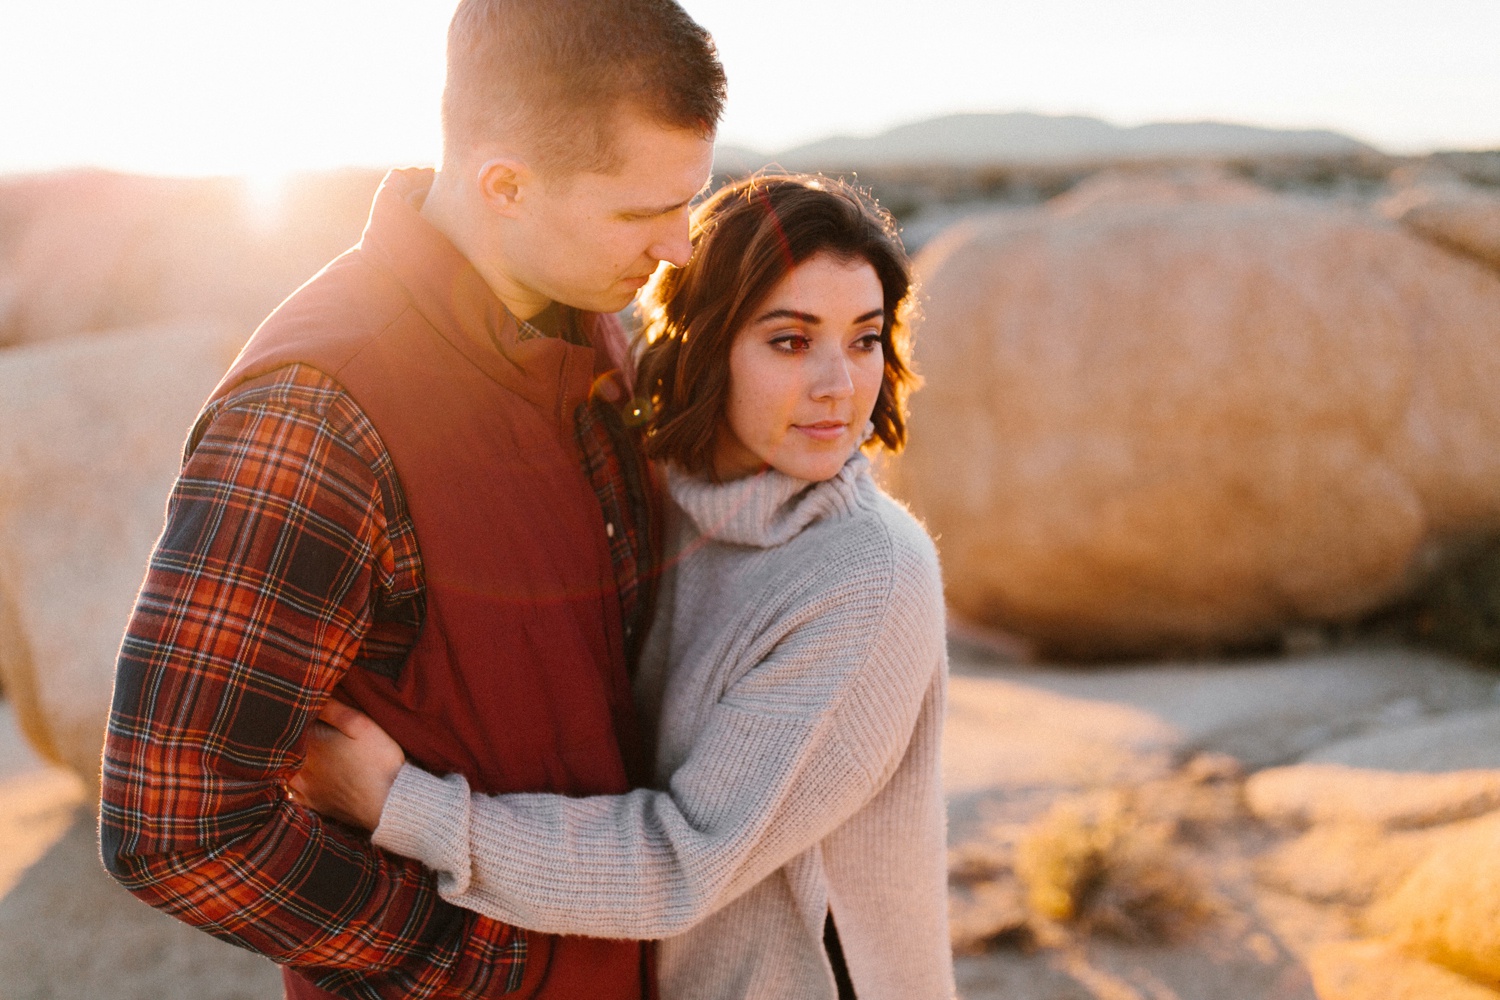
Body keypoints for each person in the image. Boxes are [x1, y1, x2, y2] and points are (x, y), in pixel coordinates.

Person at [97, 2, 725, 998]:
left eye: (689, 199)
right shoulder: (319, 410)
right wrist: (482, 961)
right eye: (641, 212)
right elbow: (174, 821)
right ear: (505, 184)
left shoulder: (593, 333)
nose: (679, 248)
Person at [291, 174, 957, 1000]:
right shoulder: (659, 498)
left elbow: (683, 862)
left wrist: (399, 804)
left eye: (864, 338)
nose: (840, 385)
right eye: (790, 341)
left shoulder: (867, 573)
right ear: (707, 344)